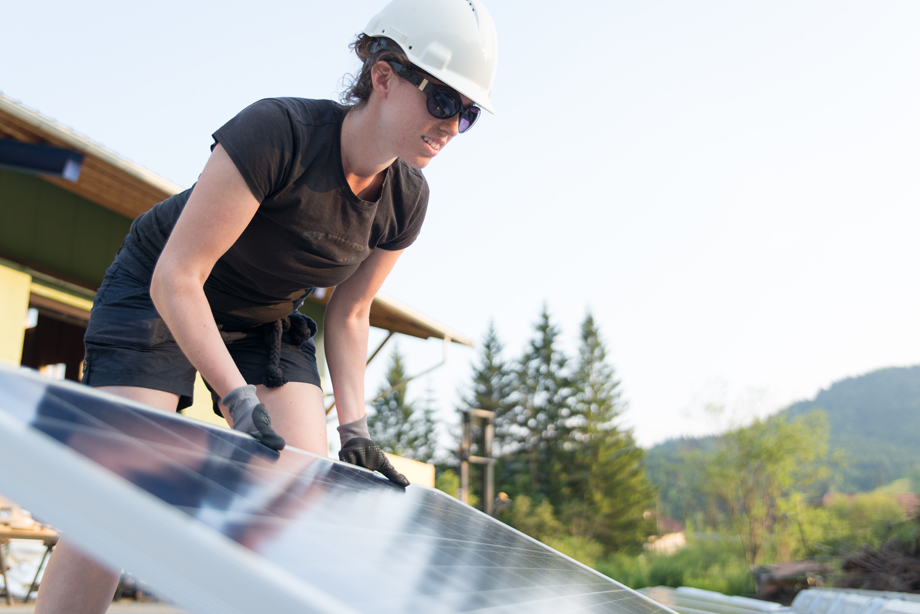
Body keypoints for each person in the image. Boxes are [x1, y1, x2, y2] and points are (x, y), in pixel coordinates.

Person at [33, 0, 498, 612]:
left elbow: (350, 313)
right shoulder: (277, 132)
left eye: (467, 114)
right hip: (160, 290)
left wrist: (353, 430)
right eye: (442, 99)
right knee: (120, 488)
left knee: (297, 497)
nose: (450, 124)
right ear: (384, 75)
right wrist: (234, 395)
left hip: (263, 321)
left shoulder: (406, 199)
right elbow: (179, 275)